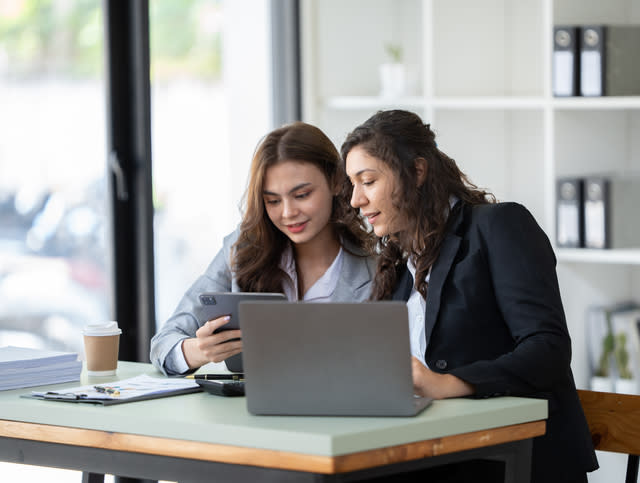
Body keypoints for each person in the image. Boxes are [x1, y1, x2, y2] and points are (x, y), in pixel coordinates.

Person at [341, 110, 598, 483]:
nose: (355, 199)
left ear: (416, 172)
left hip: (513, 461)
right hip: (437, 455)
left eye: (367, 181)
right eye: (352, 184)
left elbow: (549, 349)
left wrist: (451, 383)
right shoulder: (397, 264)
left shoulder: (499, 226)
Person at [151, 122, 376, 376]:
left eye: (302, 195)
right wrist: (199, 350)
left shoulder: (376, 266)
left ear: (336, 181)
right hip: (250, 411)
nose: (288, 213)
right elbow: (163, 345)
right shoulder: (241, 250)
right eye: (273, 201)